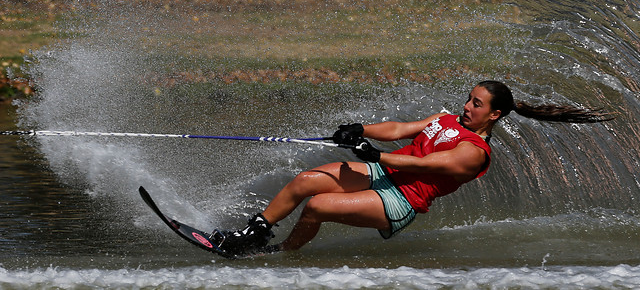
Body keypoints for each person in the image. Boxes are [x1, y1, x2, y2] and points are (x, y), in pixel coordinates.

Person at [213, 80, 612, 256]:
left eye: (477, 104)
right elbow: (402, 129)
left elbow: (420, 162)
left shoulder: (474, 151)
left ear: (495, 115)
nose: (467, 107)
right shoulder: (451, 120)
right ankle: (252, 234)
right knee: (305, 181)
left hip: (402, 198)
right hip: (387, 174)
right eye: (469, 99)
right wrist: (361, 129)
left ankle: (281, 253)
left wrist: (375, 155)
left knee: (317, 206)